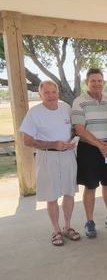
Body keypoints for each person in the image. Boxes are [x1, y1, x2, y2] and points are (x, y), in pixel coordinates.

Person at [20, 81, 79, 246]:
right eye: (47, 93)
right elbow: (27, 140)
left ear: (58, 92)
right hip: (47, 157)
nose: (51, 96)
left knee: (69, 193)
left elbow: (74, 129)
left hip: (68, 155)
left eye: (54, 92)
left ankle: (67, 226)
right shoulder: (34, 113)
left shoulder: (66, 107)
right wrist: (53, 144)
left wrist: (73, 140)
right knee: (51, 196)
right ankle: (56, 230)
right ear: (40, 94)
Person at [72, 68, 107, 238]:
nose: (97, 83)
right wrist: (100, 145)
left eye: (99, 80)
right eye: (93, 81)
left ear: (103, 82)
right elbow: (80, 130)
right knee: (90, 186)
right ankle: (89, 222)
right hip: (89, 150)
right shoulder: (79, 102)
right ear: (87, 83)